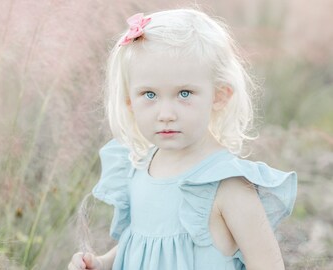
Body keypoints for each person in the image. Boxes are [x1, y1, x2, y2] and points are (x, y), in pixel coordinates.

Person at [68, 8, 297, 270]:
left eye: (184, 93)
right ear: (130, 101)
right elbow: (144, 241)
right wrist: (103, 262)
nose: (166, 114)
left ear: (219, 95)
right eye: (150, 94)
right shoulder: (139, 166)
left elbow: (267, 264)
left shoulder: (225, 185)